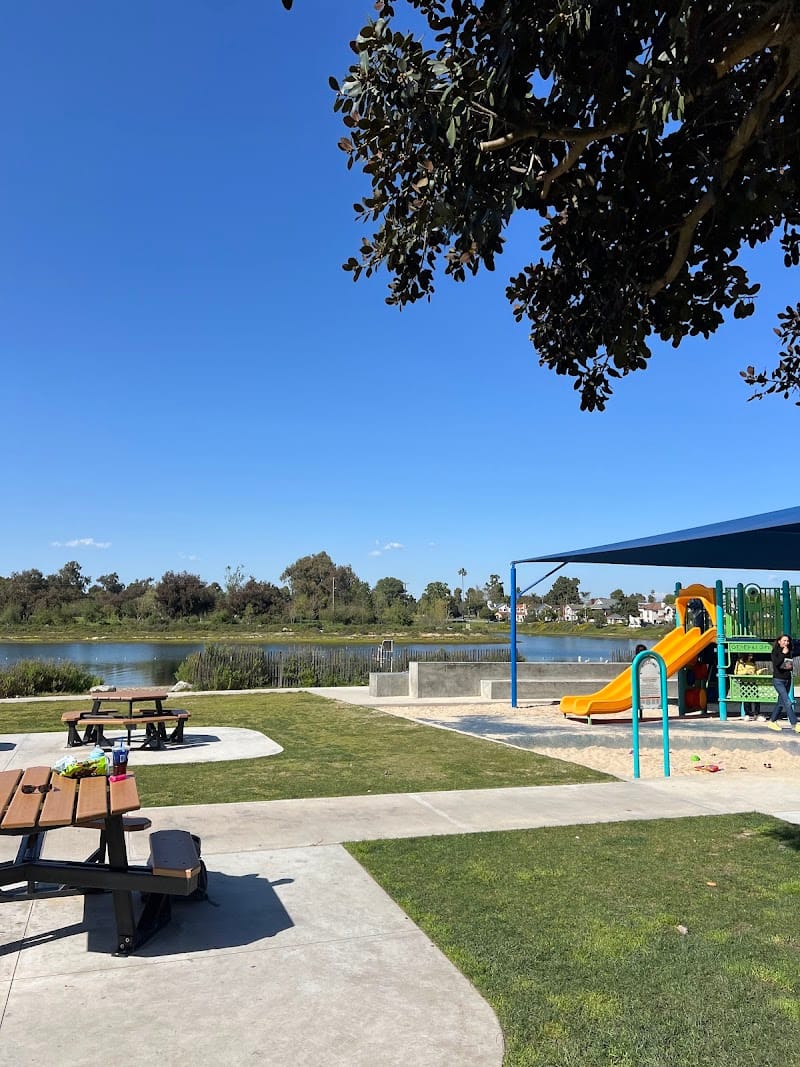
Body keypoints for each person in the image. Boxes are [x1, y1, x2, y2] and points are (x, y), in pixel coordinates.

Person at [768, 635, 800, 732]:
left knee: (781, 703)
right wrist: (783, 653)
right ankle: (795, 724)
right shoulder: (775, 652)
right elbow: (777, 663)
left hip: (787, 679)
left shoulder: (789, 652)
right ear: (779, 642)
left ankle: (772, 721)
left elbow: (788, 665)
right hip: (778, 680)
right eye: (784, 641)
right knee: (787, 702)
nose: (786, 643)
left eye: (787, 641)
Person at [734, 654, 757, 720]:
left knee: (756, 698)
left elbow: (755, 672)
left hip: (753, 682)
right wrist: (746, 672)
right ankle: (747, 713)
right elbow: (737, 672)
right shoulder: (740, 662)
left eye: (752, 655)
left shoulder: (753, 663)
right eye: (749, 655)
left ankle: (756, 713)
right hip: (744, 682)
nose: (751, 657)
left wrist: (759, 672)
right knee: (746, 698)